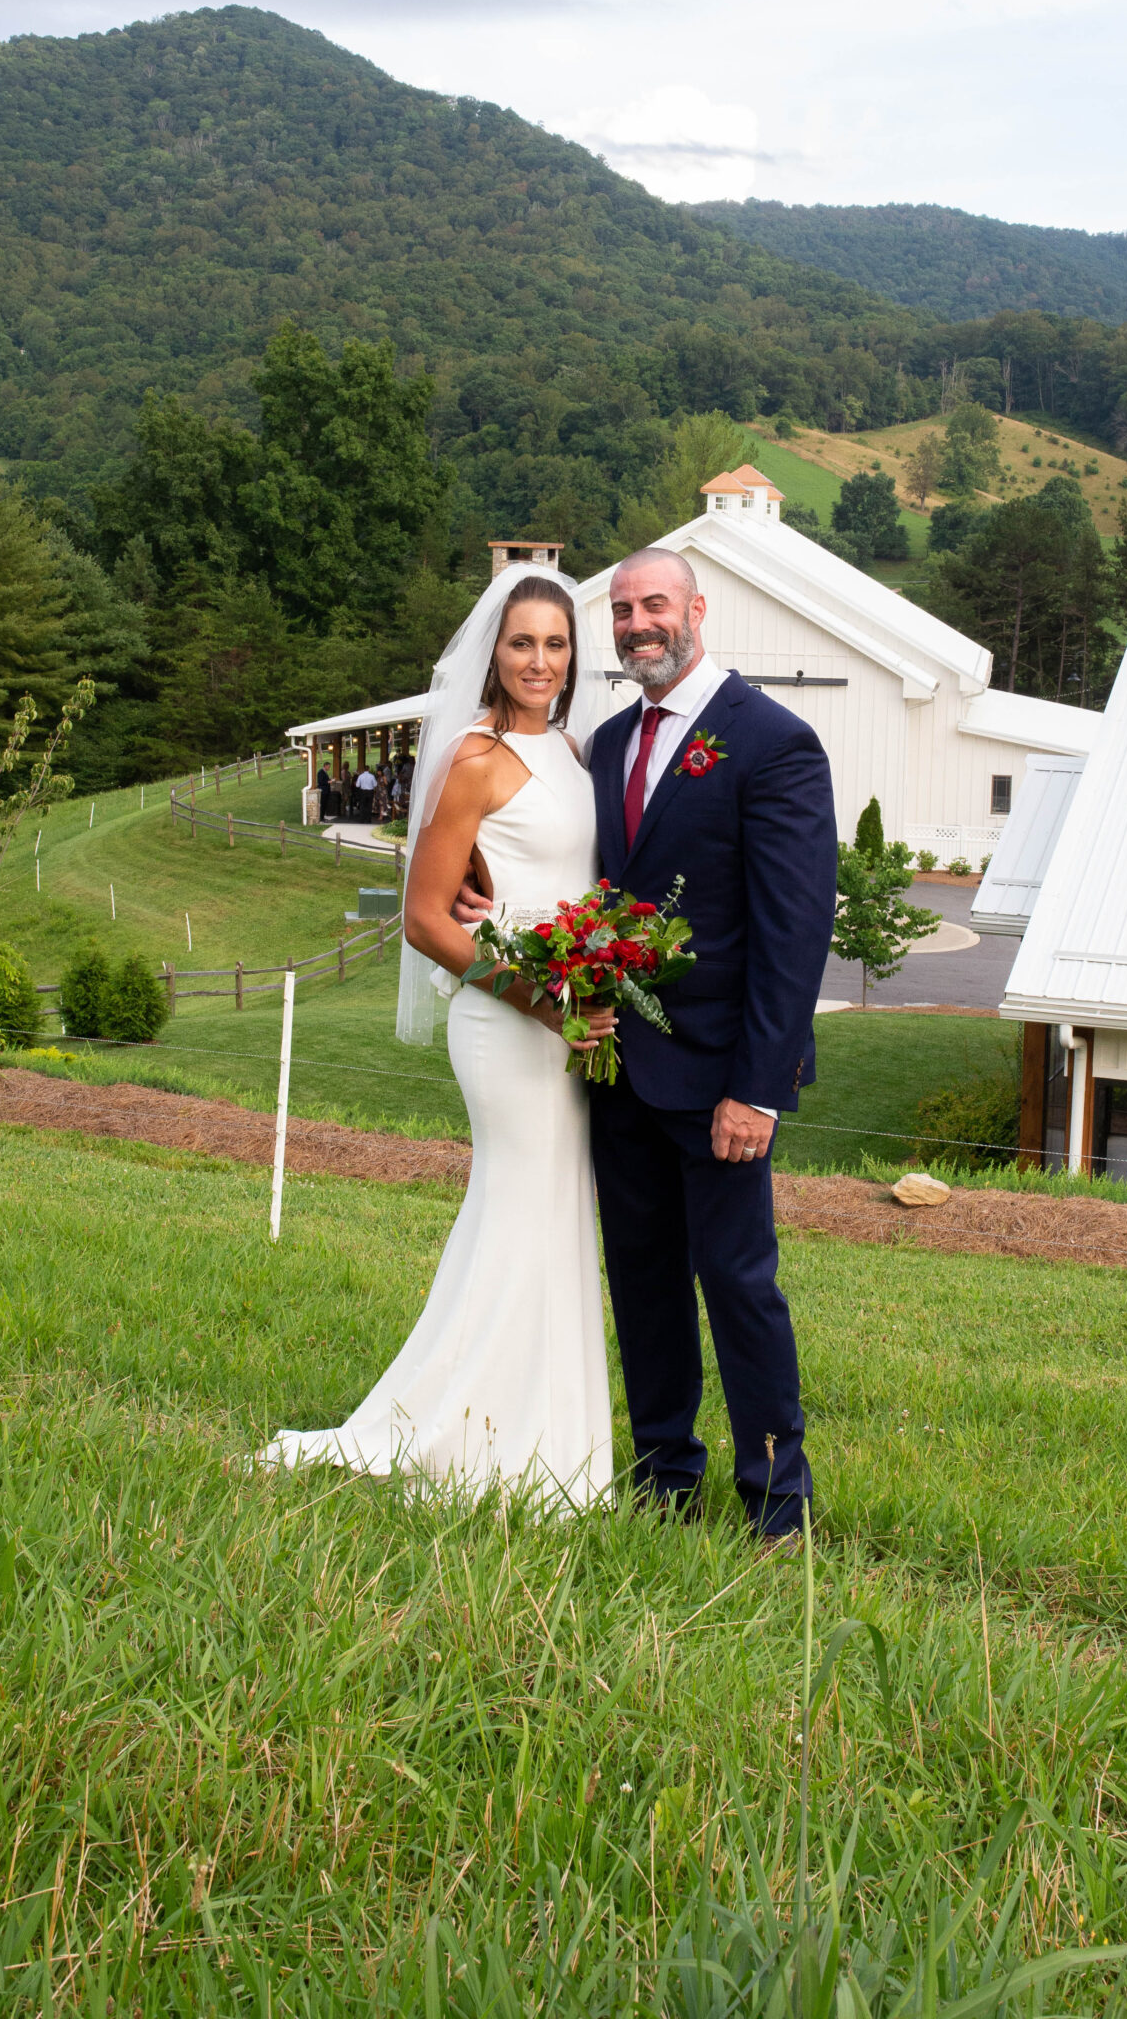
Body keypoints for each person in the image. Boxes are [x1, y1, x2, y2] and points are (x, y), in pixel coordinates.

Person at [456, 547, 837, 1544]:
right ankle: (666, 1476)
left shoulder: (773, 742)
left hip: (720, 1082)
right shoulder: (609, 741)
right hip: (616, 1068)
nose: (637, 625)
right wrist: (493, 905)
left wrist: (758, 1087)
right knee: (644, 1285)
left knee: (739, 1286)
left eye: (654, 604)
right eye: (622, 611)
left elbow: (794, 933)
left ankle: (776, 1504)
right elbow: (580, 878)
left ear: (696, 611)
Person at [261, 570, 618, 1508]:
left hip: (569, 1014)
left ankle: (545, 1439)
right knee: (518, 1210)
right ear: (492, 654)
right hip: (509, 1021)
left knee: (553, 1217)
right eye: (521, 643)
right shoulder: (474, 759)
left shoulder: (571, 752)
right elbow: (426, 920)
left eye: (555, 644)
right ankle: (469, 1438)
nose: (539, 662)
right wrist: (539, 1001)